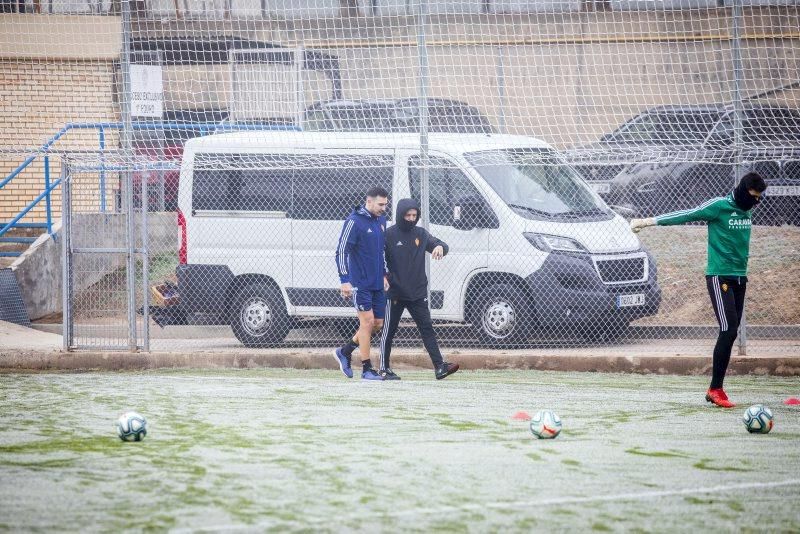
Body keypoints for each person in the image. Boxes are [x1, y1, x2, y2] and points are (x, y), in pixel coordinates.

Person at [630, 172, 767, 408]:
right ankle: (715, 389)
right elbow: (687, 215)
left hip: (740, 277)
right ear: (744, 192)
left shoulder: (748, 208)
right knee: (728, 328)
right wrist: (649, 221)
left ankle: (716, 388)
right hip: (719, 275)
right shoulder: (718, 206)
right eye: (753, 197)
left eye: (759, 198)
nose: (756, 202)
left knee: (732, 331)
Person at [379, 198, 460, 380]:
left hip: (417, 292)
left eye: (414, 215)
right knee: (388, 331)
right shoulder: (389, 235)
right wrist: (384, 277)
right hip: (396, 293)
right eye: (407, 215)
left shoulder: (421, 234)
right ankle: (383, 369)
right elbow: (378, 259)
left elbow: (441, 245)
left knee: (427, 328)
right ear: (400, 214)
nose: (411, 218)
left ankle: (440, 367)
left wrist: (439, 247)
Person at [333, 187, 390, 380]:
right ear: (369, 201)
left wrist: (384, 275)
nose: (384, 208)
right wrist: (344, 280)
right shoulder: (354, 222)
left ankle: (345, 351)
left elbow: (381, 251)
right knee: (366, 323)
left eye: (385, 204)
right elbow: (341, 251)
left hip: (377, 282)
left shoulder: (381, 220)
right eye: (381, 204)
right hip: (360, 284)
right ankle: (366, 370)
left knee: (377, 324)